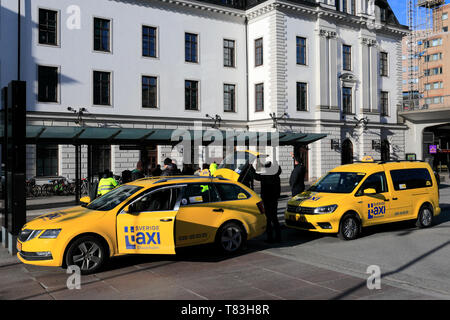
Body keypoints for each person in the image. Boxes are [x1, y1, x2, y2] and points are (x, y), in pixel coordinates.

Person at [253, 161, 282, 243]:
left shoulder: (267, 175)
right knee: (274, 218)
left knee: (268, 219)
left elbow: (256, 176)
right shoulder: (276, 175)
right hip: (274, 199)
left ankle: (270, 237)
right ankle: (278, 236)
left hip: (267, 199)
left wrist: (253, 167)